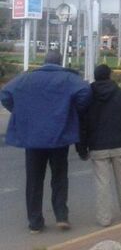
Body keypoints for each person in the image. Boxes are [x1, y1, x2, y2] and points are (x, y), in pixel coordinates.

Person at [0, 51, 92, 233]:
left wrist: (22, 112)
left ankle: (35, 223)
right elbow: (85, 92)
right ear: (60, 62)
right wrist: (70, 112)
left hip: (33, 140)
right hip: (59, 138)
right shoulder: (68, 78)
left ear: (43, 62)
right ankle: (61, 217)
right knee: (59, 178)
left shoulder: (25, 78)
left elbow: (5, 95)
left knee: (34, 180)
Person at [77, 64, 121, 227]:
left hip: (97, 147)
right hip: (120, 144)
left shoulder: (87, 98)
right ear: (110, 75)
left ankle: (105, 218)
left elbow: (82, 126)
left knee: (102, 184)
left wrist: (81, 148)